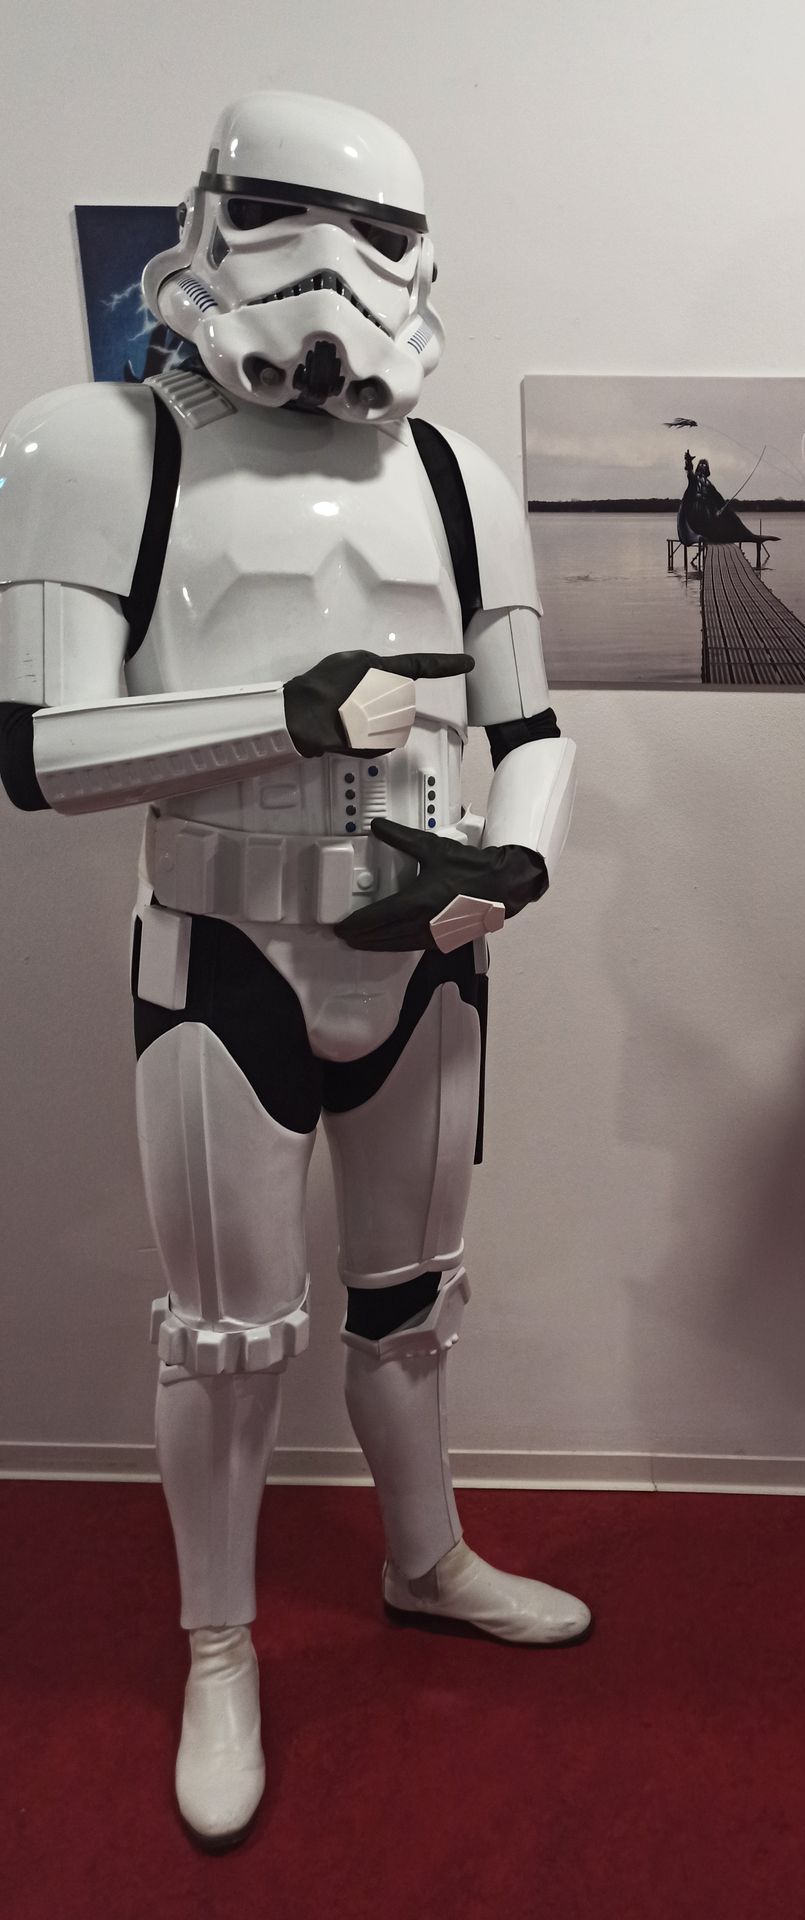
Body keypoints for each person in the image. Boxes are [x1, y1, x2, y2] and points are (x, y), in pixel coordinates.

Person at [0, 90, 588, 1848]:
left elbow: (532, 731)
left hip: (424, 952)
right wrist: (284, 712)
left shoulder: (458, 480)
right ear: (205, 220)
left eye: (378, 237)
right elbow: (38, 753)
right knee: (227, 1337)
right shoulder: (98, 449)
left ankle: (425, 1558)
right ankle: (219, 1644)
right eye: (280, 215)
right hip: (224, 951)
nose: (332, 271)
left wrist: (514, 863)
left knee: (412, 1306)